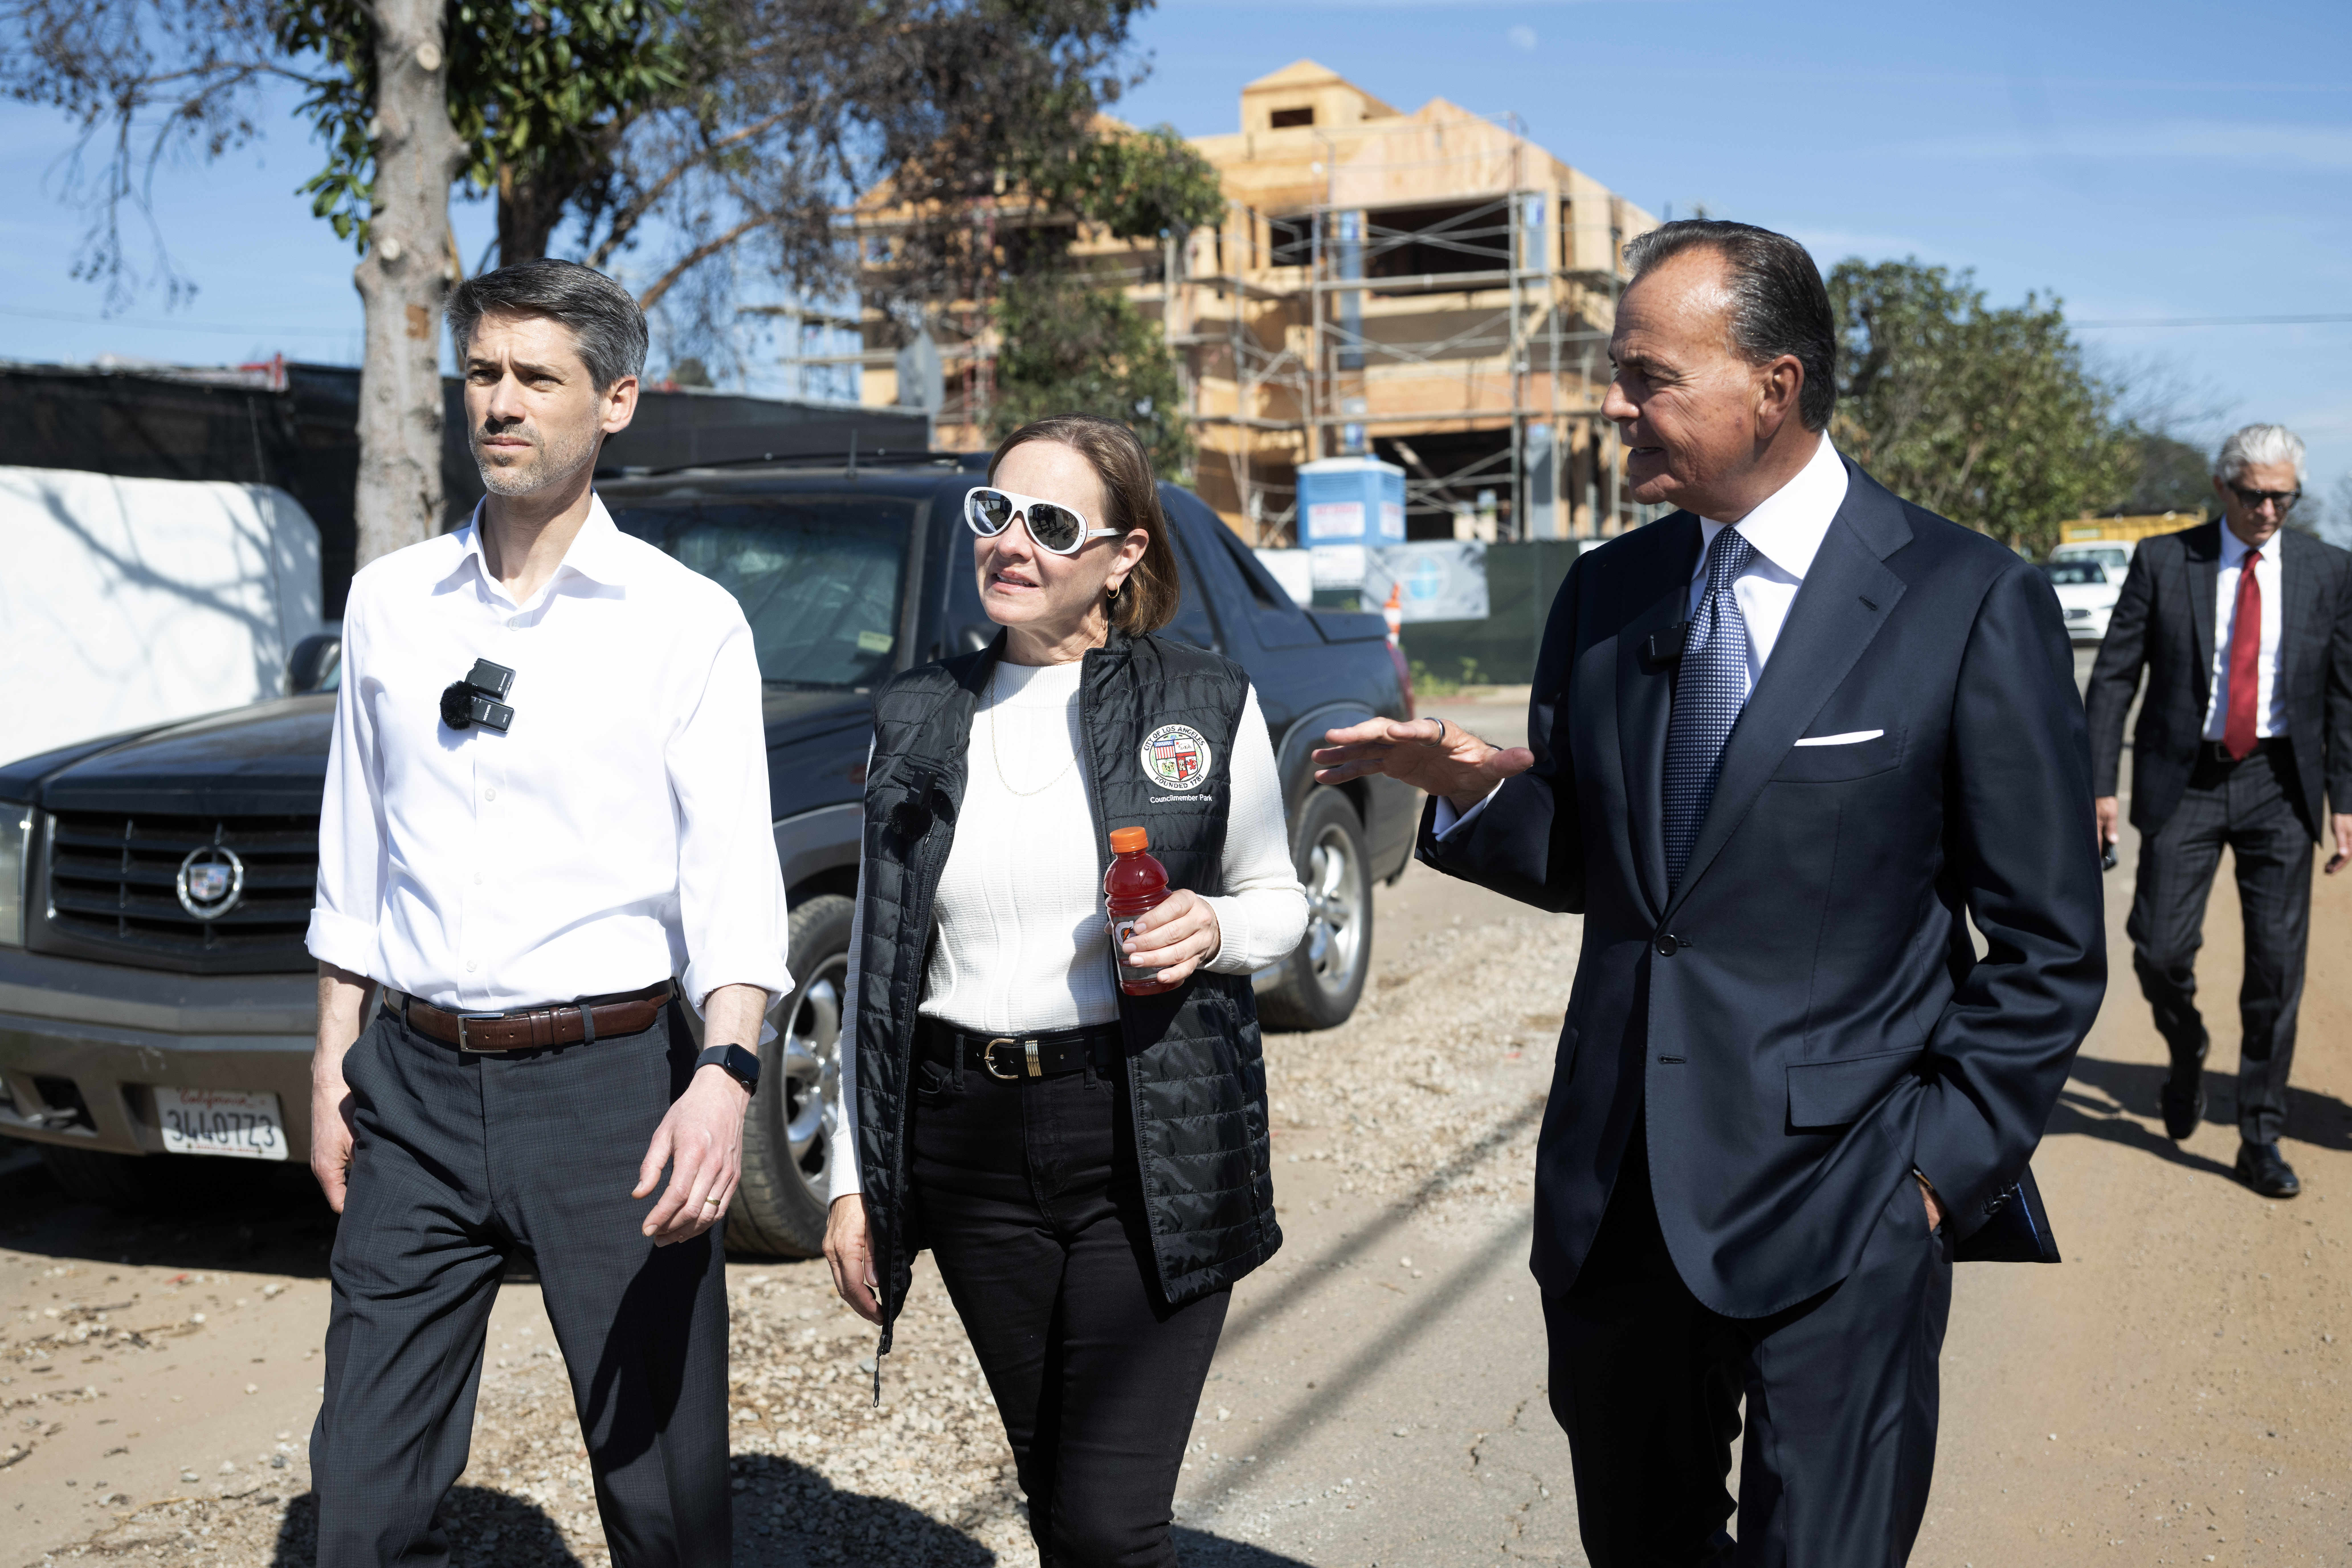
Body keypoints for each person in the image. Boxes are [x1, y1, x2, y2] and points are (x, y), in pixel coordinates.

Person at [1312, 220, 2106, 1566]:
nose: (1615, 405)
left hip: (1849, 1194)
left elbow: (2046, 942)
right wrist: (1466, 789)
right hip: (1621, 1195)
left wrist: (1933, 1176)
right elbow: (1604, 860)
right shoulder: (1609, 593)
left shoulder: (1968, 599)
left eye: (1649, 376)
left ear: (1776, 388)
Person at [305, 259, 792, 1567]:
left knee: (662, 1489)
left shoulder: (687, 624)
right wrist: (329, 1061)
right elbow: (357, 853)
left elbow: (733, 879)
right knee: (357, 1495)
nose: (500, 405)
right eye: (482, 375)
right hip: (408, 1085)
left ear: (616, 400)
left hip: (611, 1090)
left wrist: (726, 1073)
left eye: (536, 377)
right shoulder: (394, 606)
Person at [819, 414, 1307, 1567]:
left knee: (1107, 1518)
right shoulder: (918, 714)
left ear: (1123, 555)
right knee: (1056, 1493)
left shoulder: (1202, 699)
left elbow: (1281, 899)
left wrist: (1215, 925)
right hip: (968, 1144)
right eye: (994, 514)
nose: (1011, 543)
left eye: (1050, 523)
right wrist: (854, 1181)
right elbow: (879, 978)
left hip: (1143, 1137)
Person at [2085, 424, 2352, 1199]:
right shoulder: (2166, 561)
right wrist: (2099, 783)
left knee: (2276, 969)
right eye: (2255, 495)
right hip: (2185, 780)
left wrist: (2345, 802)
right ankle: (2186, 1047)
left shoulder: (2328, 572)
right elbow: (2112, 680)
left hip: (2280, 783)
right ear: (2223, 488)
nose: (2269, 510)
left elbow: (2343, 694)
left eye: (2283, 497)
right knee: (2160, 950)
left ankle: (2260, 1134)